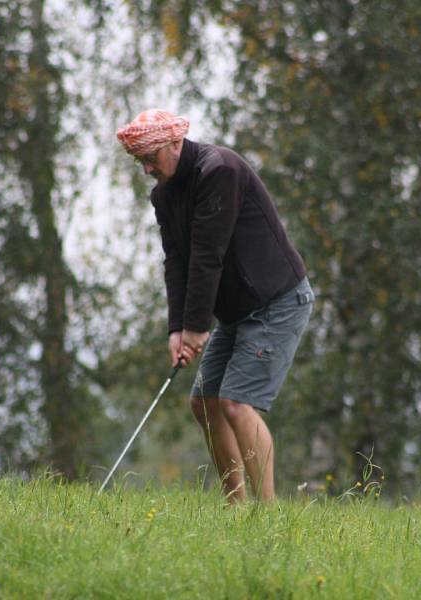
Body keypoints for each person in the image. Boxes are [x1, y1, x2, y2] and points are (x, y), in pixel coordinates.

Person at [116, 109, 313, 502]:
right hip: (237, 313)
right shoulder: (164, 194)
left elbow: (208, 254)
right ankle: (235, 508)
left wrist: (196, 326)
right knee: (203, 402)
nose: (146, 169)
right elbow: (177, 261)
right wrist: (178, 329)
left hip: (277, 302)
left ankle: (268, 515)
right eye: (140, 161)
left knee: (236, 403)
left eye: (150, 158)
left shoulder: (219, 171)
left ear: (175, 143)